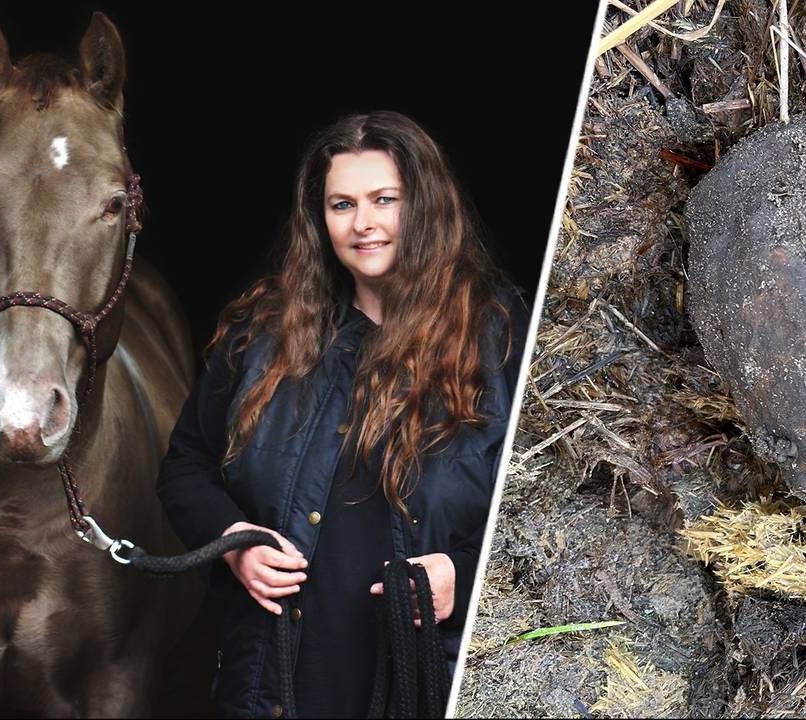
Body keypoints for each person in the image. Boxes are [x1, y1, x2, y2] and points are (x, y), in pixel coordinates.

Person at [155, 111, 527, 718]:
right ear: (319, 219)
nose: (364, 224)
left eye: (385, 199)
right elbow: (186, 464)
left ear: (425, 207)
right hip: (275, 684)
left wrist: (463, 575)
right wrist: (232, 543)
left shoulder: (501, 337)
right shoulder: (264, 334)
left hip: (426, 679)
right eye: (341, 204)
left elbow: (538, 510)